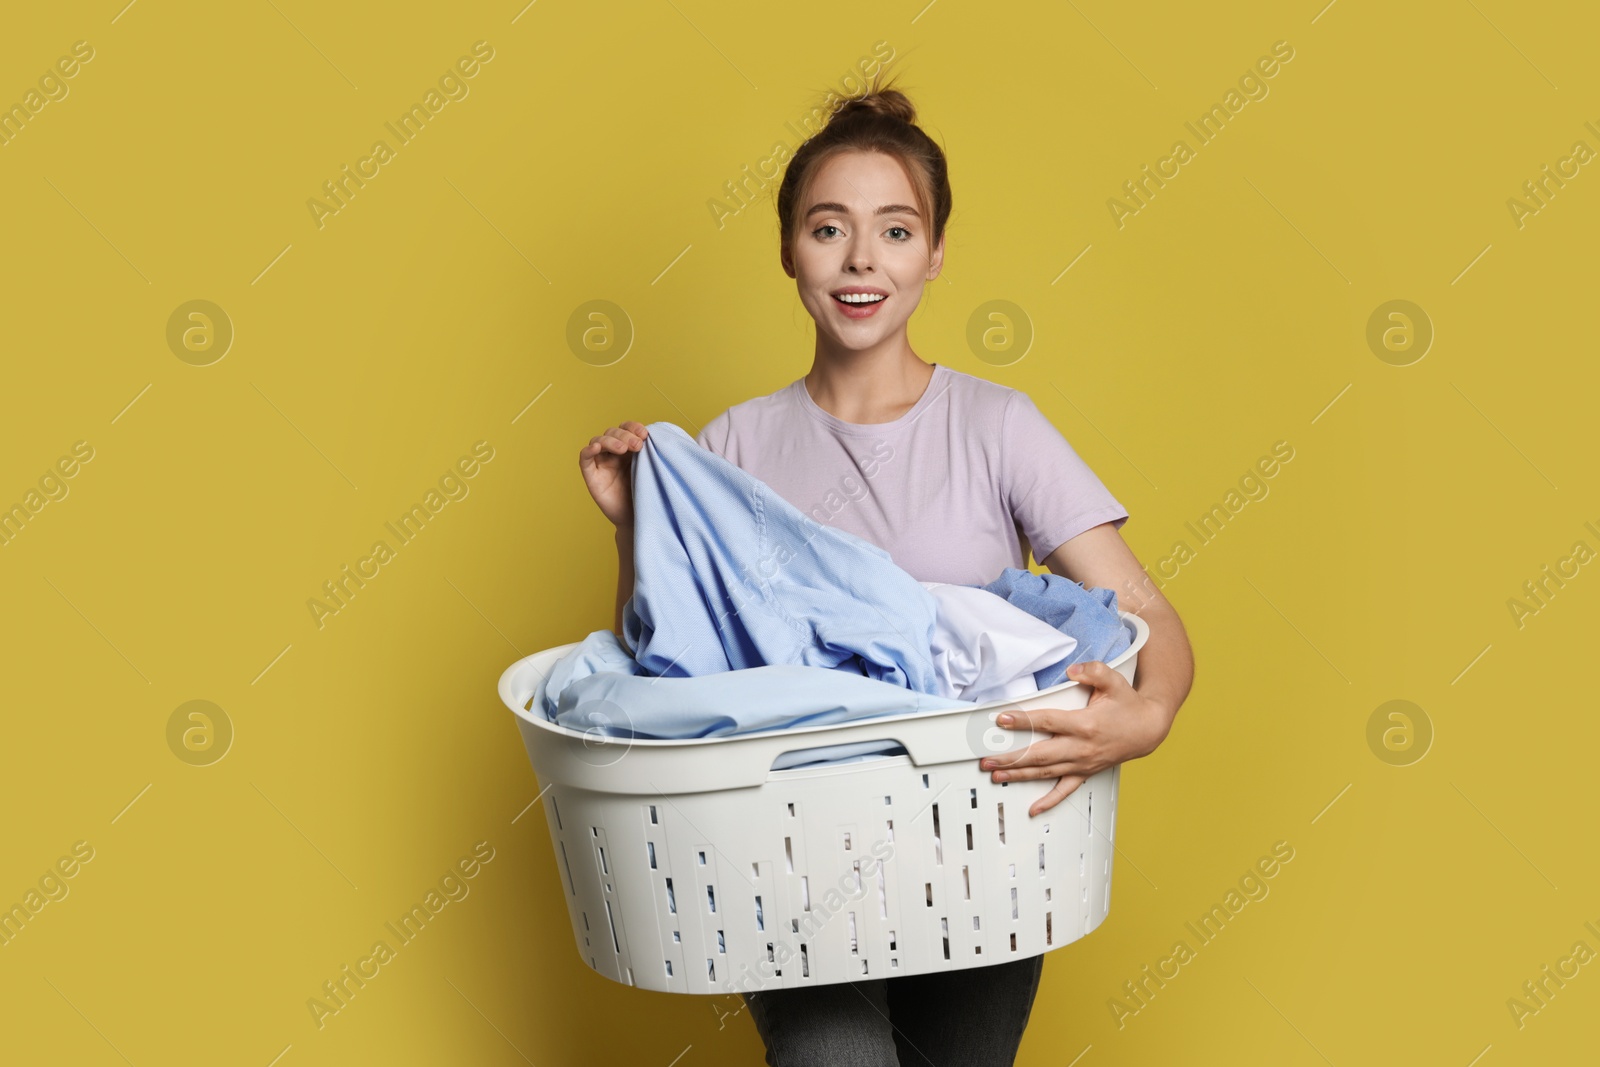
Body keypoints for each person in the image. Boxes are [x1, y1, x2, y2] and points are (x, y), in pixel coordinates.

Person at [579, 72, 1194, 1067]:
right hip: (787, 855)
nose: (861, 258)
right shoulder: (727, 448)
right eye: (828, 229)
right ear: (787, 251)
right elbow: (673, 682)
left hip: (980, 849)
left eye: (895, 230)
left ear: (935, 254)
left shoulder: (998, 426)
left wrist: (1149, 711)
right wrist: (633, 530)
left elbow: (1146, 616)